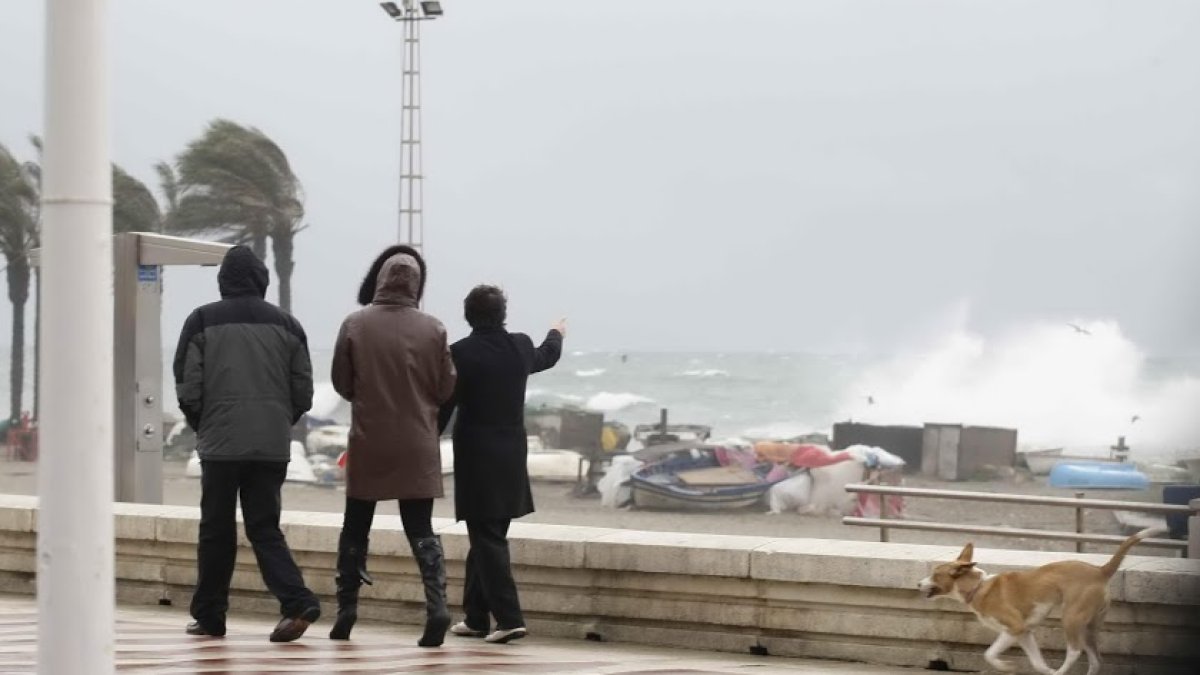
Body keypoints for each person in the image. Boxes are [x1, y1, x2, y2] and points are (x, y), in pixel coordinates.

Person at [173, 245, 320, 643]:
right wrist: (278, 422)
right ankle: (297, 601)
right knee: (264, 527)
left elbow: (187, 384)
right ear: (262, 280)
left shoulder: (201, 320)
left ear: (223, 280)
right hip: (271, 445)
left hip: (220, 445)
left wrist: (203, 423)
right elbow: (303, 391)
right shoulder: (289, 325)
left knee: (216, 529)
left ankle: (210, 616)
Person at [330, 247, 457, 647]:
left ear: (381, 280)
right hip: (418, 442)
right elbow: (446, 387)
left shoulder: (355, 323)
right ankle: (437, 607)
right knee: (420, 528)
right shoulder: (434, 329)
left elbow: (341, 383)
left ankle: (346, 610)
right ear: (416, 285)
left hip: (370, 439)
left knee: (356, 525)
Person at [438, 285, 565, 644]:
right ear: (502, 314)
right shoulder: (520, 346)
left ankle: (509, 619)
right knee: (488, 534)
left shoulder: (459, 353)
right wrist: (556, 332)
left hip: (476, 457)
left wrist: (424, 439)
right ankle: (476, 618)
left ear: (468, 315)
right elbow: (547, 355)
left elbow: (444, 406)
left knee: (486, 536)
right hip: (511, 455)